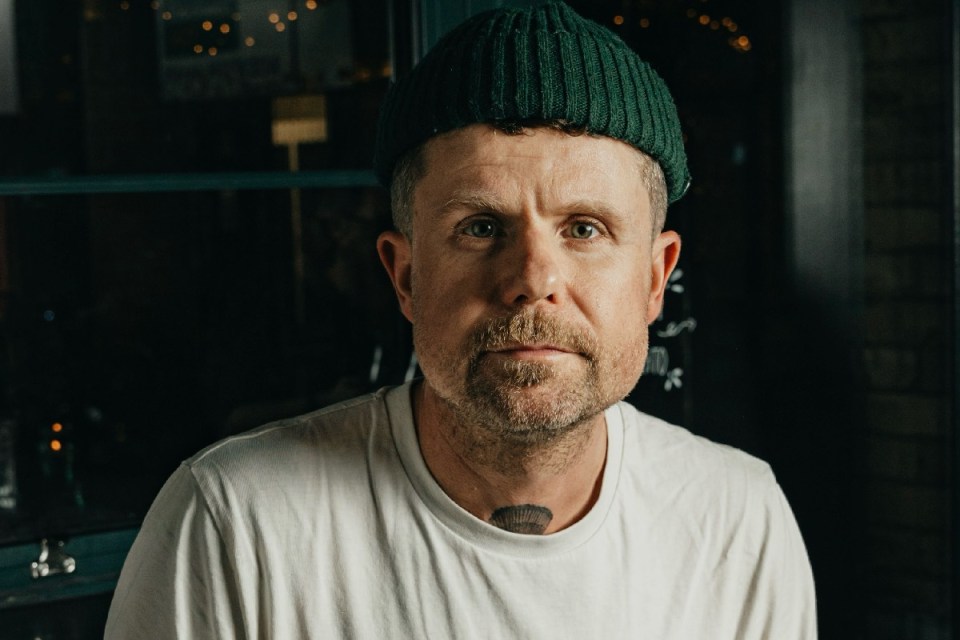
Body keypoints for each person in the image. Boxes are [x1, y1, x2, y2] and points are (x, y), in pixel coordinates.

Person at [105, 2, 816, 637]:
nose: (533, 280)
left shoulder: (736, 522)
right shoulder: (237, 526)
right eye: (480, 227)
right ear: (406, 274)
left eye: (585, 229)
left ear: (656, 278)